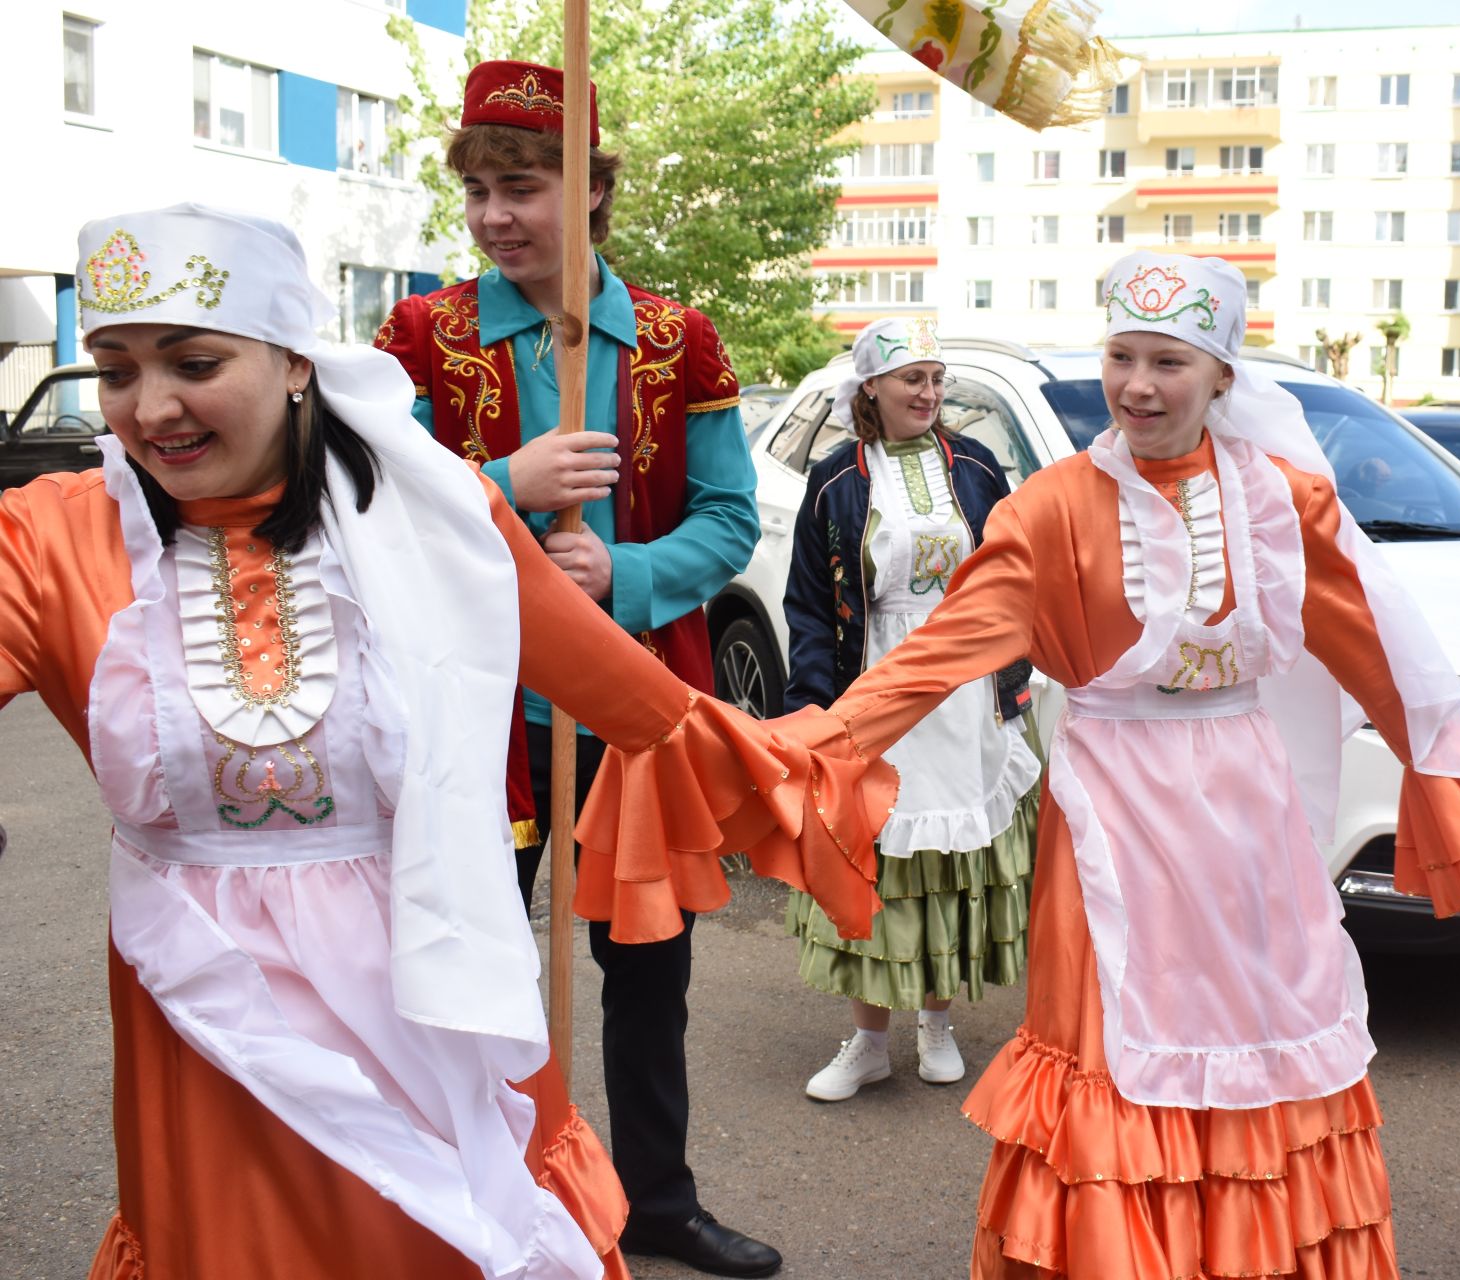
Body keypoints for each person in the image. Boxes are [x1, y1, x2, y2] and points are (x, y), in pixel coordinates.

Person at [0, 205, 891, 1280]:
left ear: (294, 360)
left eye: (193, 361)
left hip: (430, 995)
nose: (149, 408)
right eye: (114, 368)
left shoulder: (434, 514)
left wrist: (842, 749)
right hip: (208, 1046)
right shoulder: (54, 536)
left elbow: (647, 710)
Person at [795, 252, 1460, 1278]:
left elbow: (1369, 647)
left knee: (1264, 1024)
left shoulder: (1284, 502)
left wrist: (1458, 776)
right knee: (1112, 1043)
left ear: (1222, 379)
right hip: (1113, 804)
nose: (1139, 385)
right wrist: (805, 751)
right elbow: (934, 656)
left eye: (1169, 360)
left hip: (1250, 812)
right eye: (1122, 356)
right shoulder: (1052, 506)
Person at [373, 60, 774, 1277]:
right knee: (469, 970)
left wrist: (623, 579)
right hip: (475, 719)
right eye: (481, 189)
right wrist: (504, 488)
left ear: (593, 189)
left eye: (527, 184)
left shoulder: (675, 340)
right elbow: (373, 501)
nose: (498, 215)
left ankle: (654, 1197)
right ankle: (483, 1198)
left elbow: (730, 516)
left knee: (649, 978)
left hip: (628, 713)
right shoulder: (422, 337)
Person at [781, 318, 1042, 1102]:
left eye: (936, 380)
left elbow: (1011, 579)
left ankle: (936, 1026)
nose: (928, 394)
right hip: (880, 687)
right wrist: (814, 711)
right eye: (911, 381)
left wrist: (1014, 682)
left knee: (952, 869)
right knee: (881, 865)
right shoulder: (835, 479)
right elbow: (808, 607)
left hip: (966, 688)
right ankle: (867, 1041)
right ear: (871, 390)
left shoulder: (976, 467)